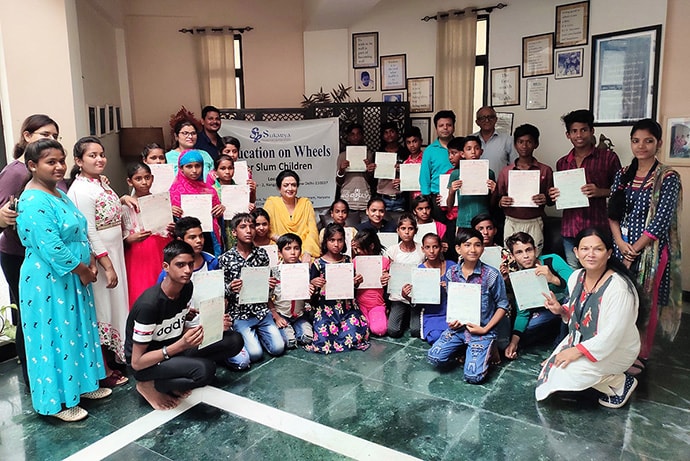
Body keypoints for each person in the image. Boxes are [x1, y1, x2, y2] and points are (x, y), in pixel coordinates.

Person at [17, 138, 110, 421]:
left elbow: (78, 228)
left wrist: (90, 261)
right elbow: (51, 246)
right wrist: (83, 269)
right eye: (51, 162)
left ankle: (80, 386)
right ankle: (55, 403)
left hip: (71, 277)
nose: (59, 167)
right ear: (32, 165)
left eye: (61, 161)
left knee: (75, 332)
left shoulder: (57, 192)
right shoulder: (33, 199)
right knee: (53, 337)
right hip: (48, 279)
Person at [126, 240, 244, 410]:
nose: (187, 270)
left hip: (173, 347)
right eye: (180, 265)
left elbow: (178, 328)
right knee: (205, 371)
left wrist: (211, 325)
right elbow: (136, 362)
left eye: (190, 264)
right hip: (148, 363)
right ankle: (148, 384)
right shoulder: (149, 305)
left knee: (233, 340)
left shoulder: (186, 287)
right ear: (166, 266)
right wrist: (181, 345)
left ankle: (177, 373)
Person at [608, 119, 682, 375]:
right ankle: (618, 348)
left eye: (648, 141)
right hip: (621, 246)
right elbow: (613, 212)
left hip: (650, 251)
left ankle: (640, 353)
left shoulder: (668, 177)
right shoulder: (622, 174)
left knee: (646, 302)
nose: (641, 146)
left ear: (658, 143)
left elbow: (660, 221)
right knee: (621, 300)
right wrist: (619, 242)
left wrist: (634, 250)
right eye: (636, 140)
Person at [536, 228, 641, 409]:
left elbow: (612, 336)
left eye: (598, 249)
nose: (590, 254)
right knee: (550, 372)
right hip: (583, 338)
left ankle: (620, 383)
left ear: (608, 253)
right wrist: (561, 310)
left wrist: (575, 351)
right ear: (576, 252)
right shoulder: (577, 277)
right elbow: (580, 310)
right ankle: (598, 375)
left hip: (616, 348)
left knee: (564, 373)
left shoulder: (619, 288)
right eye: (585, 249)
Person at [0, 114, 62, 389]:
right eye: (45, 135)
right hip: (19, 255)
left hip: (44, 255)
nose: (51, 140)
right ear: (27, 136)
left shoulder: (48, 167)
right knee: (30, 319)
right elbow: (6, 212)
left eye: (55, 136)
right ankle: (34, 381)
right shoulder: (15, 172)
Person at [67, 136, 129, 387]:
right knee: (101, 310)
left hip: (115, 250)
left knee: (115, 306)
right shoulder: (80, 190)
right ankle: (101, 368)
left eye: (101, 154)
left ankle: (115, 358)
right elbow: (89, 231)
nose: (99, 159)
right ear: (78, 161)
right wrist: (107, 264)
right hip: (101, 256)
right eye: (92, 155)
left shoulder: (100, 183)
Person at [427, 228, 510, 384]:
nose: (473, 249)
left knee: (473, 377)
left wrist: (485, 329)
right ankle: (465, 348)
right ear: (458, 249)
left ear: (483, 248)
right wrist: (452, 321)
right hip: (458, 329)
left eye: (477, 245)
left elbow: (502, 305)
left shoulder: (491, 274)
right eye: (467, 245)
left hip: (482, 331)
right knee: (434, 358)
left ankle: (488, 347)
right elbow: (453, 302)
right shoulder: (452, 273)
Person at [549, 109, 622, 268]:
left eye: (583, 130)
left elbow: (621, 190)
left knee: (599, 271)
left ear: (592, 131)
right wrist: (555, 194)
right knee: (574, 273)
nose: (579, 135)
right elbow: (559, 194)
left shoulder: (608, 158)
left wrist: (600, 192)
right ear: (567, 135)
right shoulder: (562, 163)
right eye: (574, 131)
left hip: (597, 227)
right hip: (570, 229)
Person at [219, 213, 285, 363]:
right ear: (234, 232)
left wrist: (270, 285)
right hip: (240, 313)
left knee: (279, 349)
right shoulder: (225, 258)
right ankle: (250, 339)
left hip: (261, 311)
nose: (248, 230)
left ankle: (259, 336)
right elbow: (220, 290)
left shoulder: (262, 254)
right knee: (255, 355)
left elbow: (269, 288)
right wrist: (230, 288)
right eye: (243, 227)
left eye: (251, 226)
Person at [504, 232, 573, 359]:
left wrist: (552, 278)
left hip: (565, 305)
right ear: (513, 256)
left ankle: (558, 350)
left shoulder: (552, 260)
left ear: (535, 250)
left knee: (568, 303)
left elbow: (577, 284)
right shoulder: (520, 278)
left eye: (528, 250)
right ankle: (552, 330)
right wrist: (513, 343)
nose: (525, 256)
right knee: (526, 332)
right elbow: (522, 312)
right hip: (545, 312)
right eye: (519, 252)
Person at [307, 223, 370, 353]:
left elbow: (351, 288)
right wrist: (313, 283)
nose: (336, 244)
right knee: (323, 339)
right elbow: (311, 294)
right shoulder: (318, 264)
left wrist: (356, 282)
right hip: (325, 309)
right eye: (332, 240)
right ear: (325, 242)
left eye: (340, 240)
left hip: (346, 308)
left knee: (353, 334)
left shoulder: (347, 261)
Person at [496, 124, 554, 255]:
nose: (524, 146)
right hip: (511, 221)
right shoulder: (506, 171)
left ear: (536, 144)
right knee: (510, 258)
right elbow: (497, 198)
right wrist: (501, 202)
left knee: (533, 257)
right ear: (515, 144)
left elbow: (552, 200)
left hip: (534, 221)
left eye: (529, 142)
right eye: (520, 142)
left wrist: (546, 198)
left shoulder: (545, 170)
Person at [122, 162, 173, 309]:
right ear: (129, 181)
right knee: (142, 290)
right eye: (138, 179)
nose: (144, 182)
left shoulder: (161, 201)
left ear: (152, 178)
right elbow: (121, 236)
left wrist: (173, 229)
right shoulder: (125, 207)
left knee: (164, 287)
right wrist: (129, 239)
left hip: (162, 249)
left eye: (147, 177)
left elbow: (169, 229)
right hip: (138, 254)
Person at [169, 149, 225, 257]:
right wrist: (170, 212)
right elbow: (169, 224)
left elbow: (217, 219)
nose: (194, 170)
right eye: (189, 166)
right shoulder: (173, 192)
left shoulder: (209, 190)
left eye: (198, 166)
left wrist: (220, 210)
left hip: (207, 237)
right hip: (185, 240)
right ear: (181, 168)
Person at [263, 169, 320, 261]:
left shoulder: (305, 203)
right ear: (279, 188)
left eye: (293, 185)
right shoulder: (272, 203)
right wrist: (283, 242)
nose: (290, 189)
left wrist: (307, 252)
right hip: (279, 248)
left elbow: (312, 231)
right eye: (286, 185)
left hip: (302, 250)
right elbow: (267, 229)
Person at [269, 233, 314, 349]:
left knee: (307, 338)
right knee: (289, 342)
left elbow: (309, 299)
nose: (293, 252)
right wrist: (276, 316)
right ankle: (289, 331)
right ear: (280, 252)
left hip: (300, 314)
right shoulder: (274, 272)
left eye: (296, 248)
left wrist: (311, 290)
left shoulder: (305, 270)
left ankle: (298, 329)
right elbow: (268, 297)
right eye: (287, 249)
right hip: (282, 314)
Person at [385, 213, 425, 337]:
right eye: (403, 228)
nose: (407, 232)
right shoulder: (392, 251)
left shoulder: (422, 250)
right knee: (393, 331)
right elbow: (386, 271)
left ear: (415, 230)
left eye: (410, 228)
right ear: (398, 230)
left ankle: (412, 314)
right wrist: (385, 276)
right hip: (398, 296)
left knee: (416, 331)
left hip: (416, 297)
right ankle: (402, 314)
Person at [447, 136, 497, 229]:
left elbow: (492, 204)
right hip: (463, 221)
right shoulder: (456, 173)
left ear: (481, 152)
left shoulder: (489, 173)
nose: (473, 152)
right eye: (469, 149)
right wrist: (451, 192)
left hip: (483, 221)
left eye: (477, 148)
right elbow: (449, 205)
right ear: (462, 153)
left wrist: (495, 192)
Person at [208, 154, 257, 249]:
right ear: (215, 172)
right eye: (223, 168)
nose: (227, 172)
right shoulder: (211, 190)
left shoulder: (241, 189)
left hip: (238, 230)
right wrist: (216, 211)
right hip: (219, 230)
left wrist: (251, 207)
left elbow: (248, 209)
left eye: (230, 168)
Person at [157, 216, 219, 283]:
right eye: (192, 237)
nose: (199, 240)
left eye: (201, 236)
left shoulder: (212, 262)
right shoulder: (170, 269)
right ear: (180, 240)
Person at [351, 230, 390, 336]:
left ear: (371, 246)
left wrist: (387, 279)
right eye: (356, 248)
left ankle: (383, 314)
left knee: (380, 330)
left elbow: (391, 286)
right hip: (359, 304)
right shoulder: (354, 262)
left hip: (377, 304)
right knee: (362, 327)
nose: (358, 251)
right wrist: (354, 282)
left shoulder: (384, 261)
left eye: (360, 248)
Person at [418, 233, 455, 345]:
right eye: (427, 247)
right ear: (422, 249)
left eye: (435, 247)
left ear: (441, 248)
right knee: (435, 337)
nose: (432, 251)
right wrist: (407, 295)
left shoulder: (451, 266)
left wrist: (449, 288)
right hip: (432, 313)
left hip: (451, 311)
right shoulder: (420, 270)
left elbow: (462, 290)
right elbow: (419, 299)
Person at [336, 123, 376, 220]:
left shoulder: (369, 155)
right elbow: (338, 182)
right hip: (347, 199)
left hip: (364, 199)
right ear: (348, 137)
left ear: (362, 136)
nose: (355, 137)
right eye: (352, 134)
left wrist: (369, 171)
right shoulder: (342, 156)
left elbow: (372, 181)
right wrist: (341, 170)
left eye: (358, 134)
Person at [419, 110, 455, 199]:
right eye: (441, 125)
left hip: (459, 195)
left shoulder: (462, 146)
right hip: (437, 196)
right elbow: (424, 176)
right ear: (436, 128)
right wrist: (427, 197)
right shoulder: (429, 150)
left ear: (454, 127)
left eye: (449, 125)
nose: (445, 128)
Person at [471, 106, 515, 175]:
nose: (487, 120)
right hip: (473, 184)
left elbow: (514, 166)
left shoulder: (508, 140)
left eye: (490, 117)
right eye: (483, 118)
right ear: (477, 122)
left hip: (499, 185)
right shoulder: (469, 140)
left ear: (496, 119)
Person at [375, 122, 408, 211]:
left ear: (397, 134)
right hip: (382, 196)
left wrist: (402, 169)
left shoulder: (404, 152)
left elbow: (412, 175)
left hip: (399, 197)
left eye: (392, 131)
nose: (389, 135)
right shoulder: (379, 153)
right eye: (386, 132)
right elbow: (373, 176)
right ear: (382, 136)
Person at [402, 126, 424, 203]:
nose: (412, 145)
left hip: (425, 198)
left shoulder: (426, 159)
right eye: (408, 142)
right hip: (411, 200)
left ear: (421, 141)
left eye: (415, 141)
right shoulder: (405, 163)